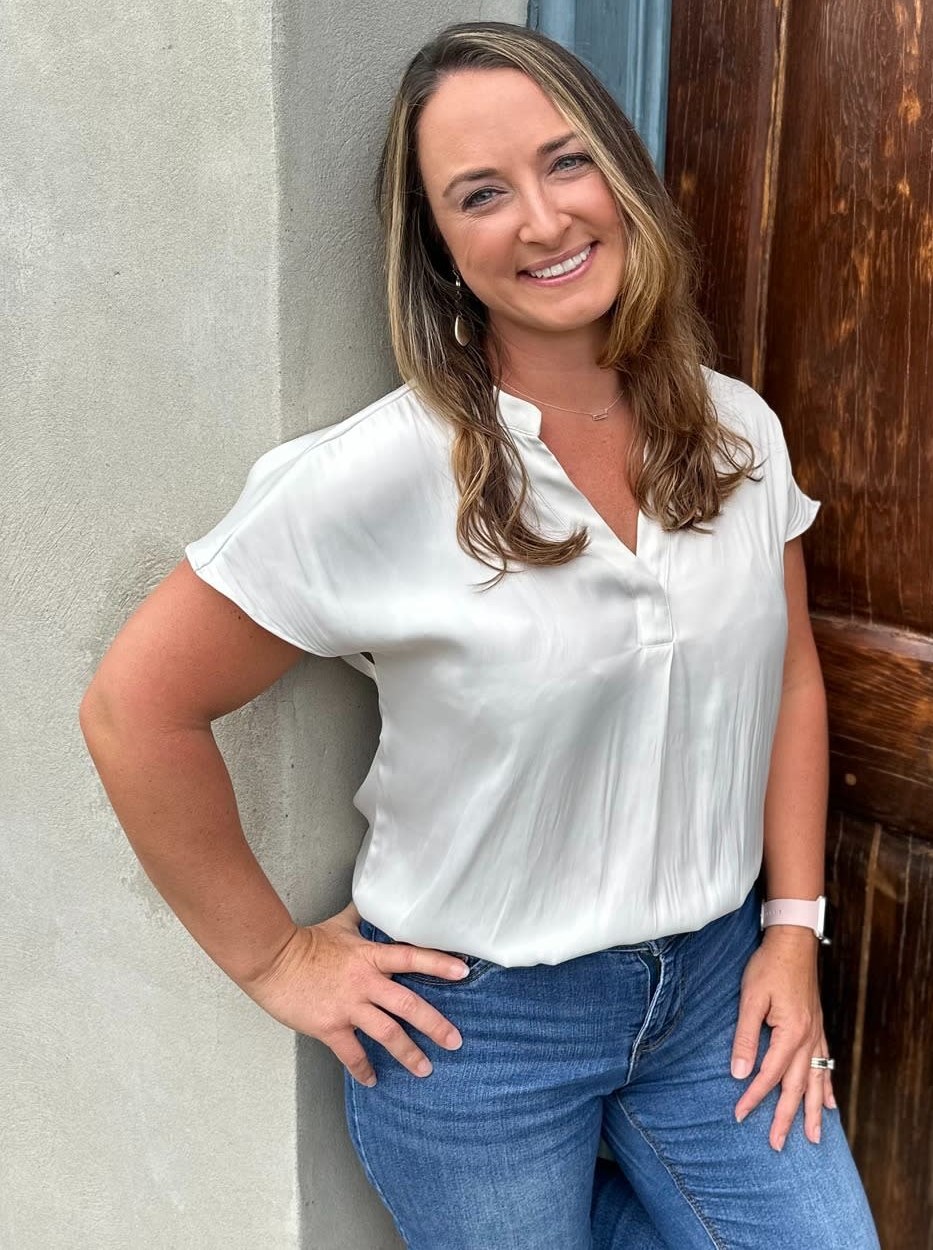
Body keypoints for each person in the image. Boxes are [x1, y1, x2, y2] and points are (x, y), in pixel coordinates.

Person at [79, 18, 882, 1250]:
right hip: (479, 1029)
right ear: (441, 249)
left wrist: (792, 926)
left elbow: (790, 674)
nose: (545, 220)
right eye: (481, 194)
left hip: (718, 993)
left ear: (621, 174)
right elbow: (134, 709)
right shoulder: (379, 476)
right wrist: (276, 960)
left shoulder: (738, 433)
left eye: (567, 162)